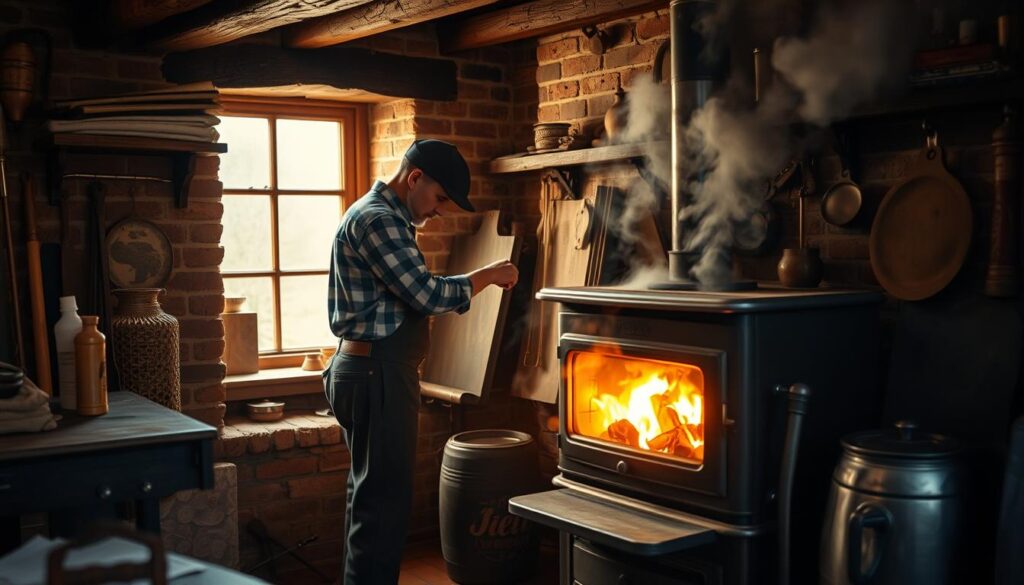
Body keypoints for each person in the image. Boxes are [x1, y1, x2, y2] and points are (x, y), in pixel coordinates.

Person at [323, 139, 518, 584]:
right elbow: (426, 295)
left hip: (373, 369)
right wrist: (488, 274)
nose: (440, 211)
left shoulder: (382, 217)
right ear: (415, 179)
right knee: (383, 506)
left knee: (371, 499)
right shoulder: (378, 220)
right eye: (439, 198)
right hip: (377, 373)